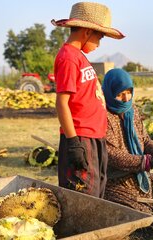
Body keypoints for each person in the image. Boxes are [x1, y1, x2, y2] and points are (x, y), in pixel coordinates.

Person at [51, 2, 124, 198]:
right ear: (86, 31)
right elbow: (62, 103)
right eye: (99, 37)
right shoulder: (68, 57)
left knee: (96, 193)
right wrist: (74, 143)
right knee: (83, 196)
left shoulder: (79, 57)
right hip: (80, 138)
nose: (99, 43)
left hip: (94, 138)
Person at [102, 68, 153, 214]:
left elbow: (144, 140)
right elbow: (111, 155)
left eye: (128, 92)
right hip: (114, 182)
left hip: (138, 176)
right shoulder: (102, 116)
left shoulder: (133, 110)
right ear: (109, 93)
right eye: (119, 95)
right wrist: (149, 162)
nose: (126, 99)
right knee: (143, 214)